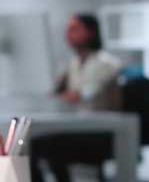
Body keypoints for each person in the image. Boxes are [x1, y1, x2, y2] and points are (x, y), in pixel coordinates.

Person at [30, 14, 123, 182]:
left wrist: (64, 94)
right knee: (30, 145)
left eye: (74, 29)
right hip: (74, 126)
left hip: (98, 131)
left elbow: (82, 95)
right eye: (68, 29)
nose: (68, 34)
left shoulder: (108, 63)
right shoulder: (73, 63)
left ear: (90, 32)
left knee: (46, 146)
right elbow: (57, 92)